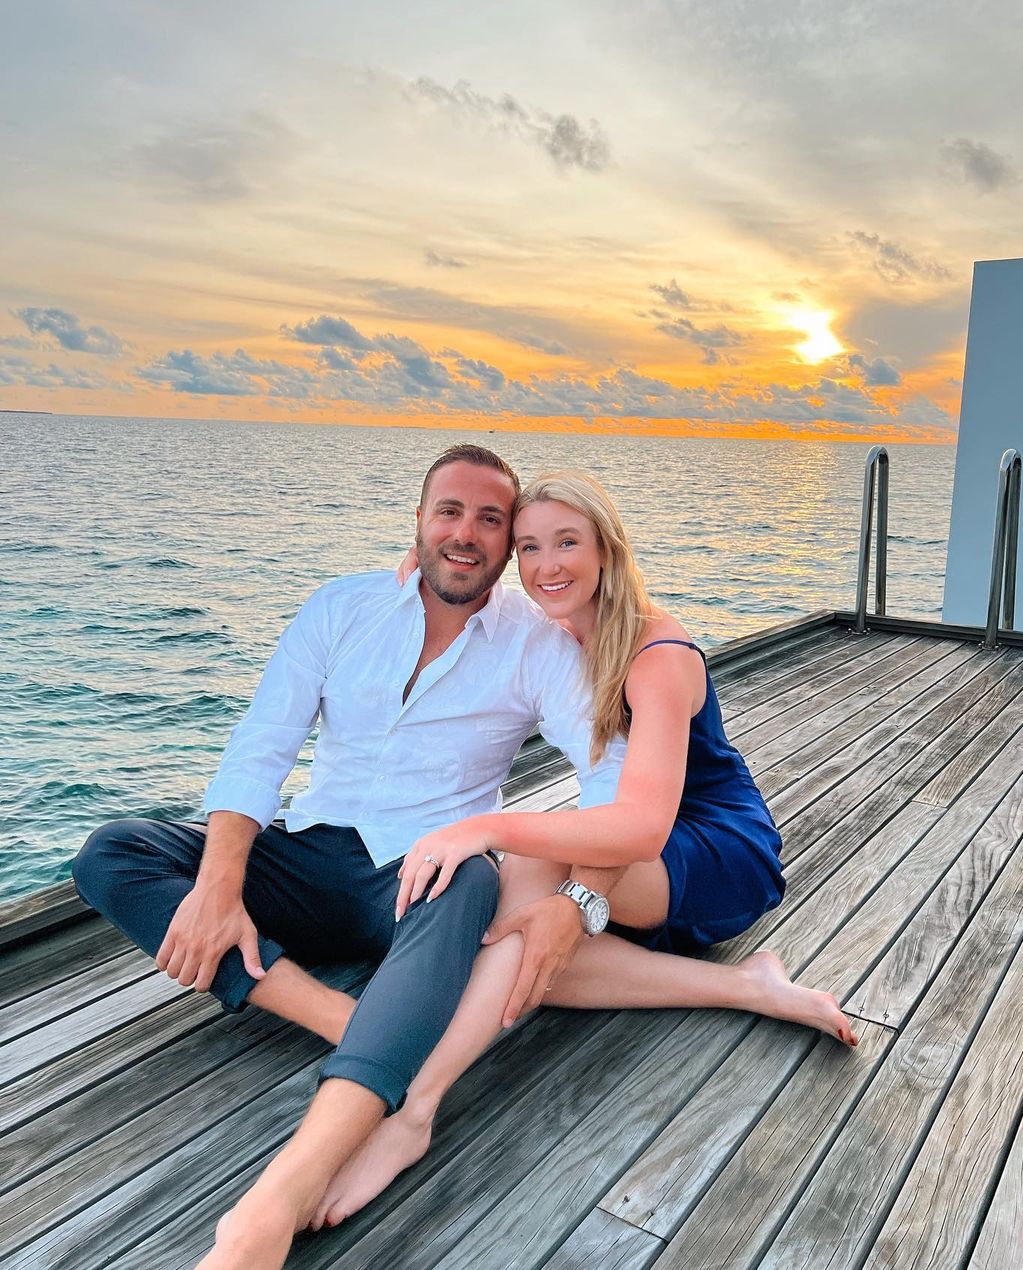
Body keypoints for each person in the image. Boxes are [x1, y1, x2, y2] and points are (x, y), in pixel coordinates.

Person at [71, 445, 630, 1270]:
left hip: (417, 880)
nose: (466, 534)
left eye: (490, 520)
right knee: (113, 852)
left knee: (470, 880)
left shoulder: (536, 645)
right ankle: (344, 1019)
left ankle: (278, 1198)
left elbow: (613, 784)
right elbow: (262, 746)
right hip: (304, 854)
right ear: (418, 519)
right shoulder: (341, 607)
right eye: (450, 511)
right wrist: (221, 887)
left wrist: (576, 902)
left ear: (508, 543)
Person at [309, 469, 857, 1229]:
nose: (547, 565)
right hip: (632, 844)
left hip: (712, 846)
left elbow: (643, 827)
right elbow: (458, 589)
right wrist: (414, 574)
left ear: (606, 549)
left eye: (567, 543)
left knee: (523, 882)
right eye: (530, 548)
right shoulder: (558, 630)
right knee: (526, 940)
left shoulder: (658, 654)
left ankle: (416, 1110)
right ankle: (748, 988)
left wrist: (486, 827)